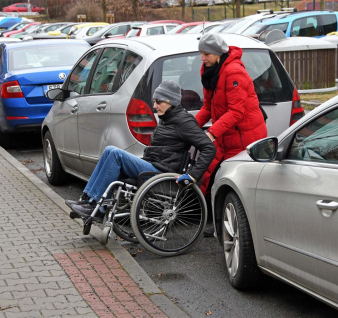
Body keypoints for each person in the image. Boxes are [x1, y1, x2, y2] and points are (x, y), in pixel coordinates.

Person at [67, 80, 216, 221]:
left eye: (158, 101)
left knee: (115, 153)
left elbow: (208, 148)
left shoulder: (184, 122)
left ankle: (96, 208)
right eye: (154, 101)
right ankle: (87, 200)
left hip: (161, 173)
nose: (155, 106)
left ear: (170, 102)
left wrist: (192, 176)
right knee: (108, 151)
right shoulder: (167, 118)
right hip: (153, 165)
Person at [195, 33, 268, 236]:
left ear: (218, 54)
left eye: (206, 54)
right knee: (213, 176)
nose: (202, 58)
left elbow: (236, 112)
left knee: (233, 182)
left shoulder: (234, 72)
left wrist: (211, 133)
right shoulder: (210, 71)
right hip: (226, 134)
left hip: (245, 137)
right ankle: (221, 226)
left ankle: (235, 228)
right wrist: (190, 128)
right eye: (201, 53)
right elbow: (207, 107)